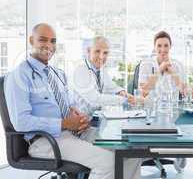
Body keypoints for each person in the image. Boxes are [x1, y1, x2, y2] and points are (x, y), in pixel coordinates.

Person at [4, 23, 141, 179]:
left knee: (131, 151)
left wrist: (80, 117)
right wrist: (65, 124)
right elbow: (21, 122)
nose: (49, 45)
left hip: (76, 132)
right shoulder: (19, 75)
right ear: (31, 41)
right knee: (107, 162)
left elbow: (69, 104)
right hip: (46, 141)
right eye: (43, 40)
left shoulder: (57, 73)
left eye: (53, 41)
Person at [69, 36, 136, 112]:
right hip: (78, 120)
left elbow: (111, 86)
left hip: (94, 118)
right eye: (97, 51)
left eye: (105, 53)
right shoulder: (80, 70)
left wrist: (122, 93)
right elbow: (94, 99)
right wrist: (125, 100)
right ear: (88, 51)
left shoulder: (100, 69)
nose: (101, 56)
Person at [138, 30, 185, 97]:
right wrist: (159, 71)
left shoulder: (178, 65)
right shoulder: (145, 64)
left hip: (172, 106)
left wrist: (173, 73)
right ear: (154, 47)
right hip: (150, 106)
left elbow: (184, 93)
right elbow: (142, 94)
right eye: (159, 46)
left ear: (170, 46)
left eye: (166, 46)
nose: (163, 49)